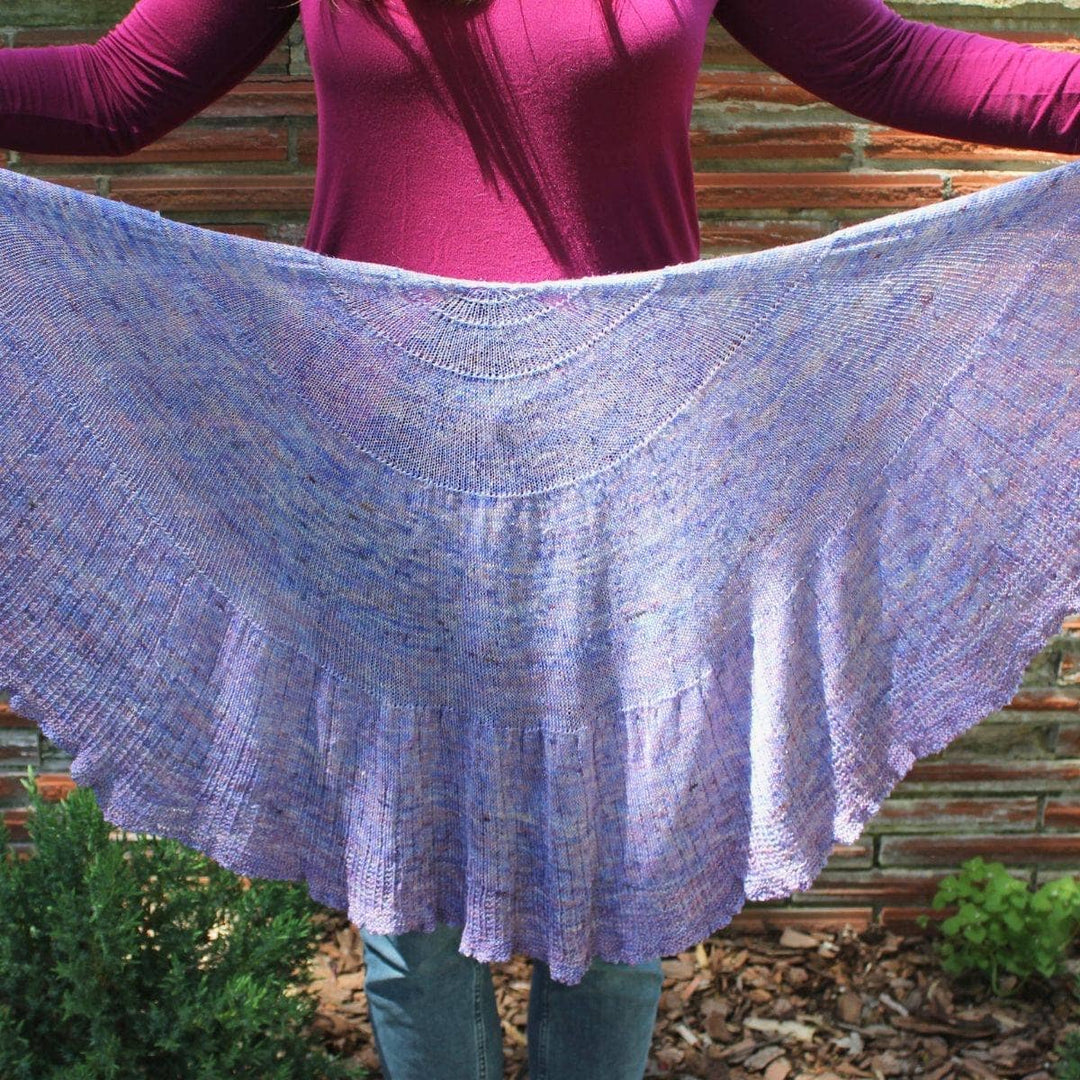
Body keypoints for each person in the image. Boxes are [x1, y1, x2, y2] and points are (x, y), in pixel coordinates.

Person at [2, 1, 1080, 1077]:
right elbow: (117, 89)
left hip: (639, 468)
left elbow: (885, 57)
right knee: (409, 894)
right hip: (377, 461)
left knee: (628, 879)